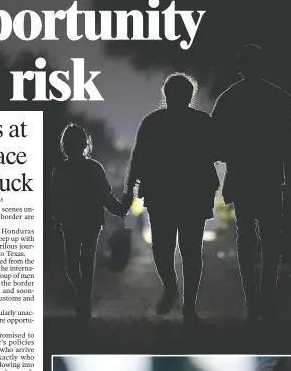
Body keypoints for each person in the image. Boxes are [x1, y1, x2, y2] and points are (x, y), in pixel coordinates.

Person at [211, 44, 291, 323]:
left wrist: (235, 157)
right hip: (270, 179)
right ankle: (266, 296)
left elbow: (216, 145)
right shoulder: (279, 98)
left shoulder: (228, 99)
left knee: (246, 237)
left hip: (243, 177)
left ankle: (253, 299)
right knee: (271, 237)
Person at [126, 73, 219, 324]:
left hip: (163, 193)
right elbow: (217, 151)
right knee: (189, 250)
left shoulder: (154, 122)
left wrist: (129, 189)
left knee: (165, 248)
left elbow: (138, 159)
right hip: (192, 194)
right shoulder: (201, 121)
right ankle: (187, 302)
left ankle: (176, 292)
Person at [51, 123, 133, 321]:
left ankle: (84, 301)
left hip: (83, 222)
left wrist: (120, 207)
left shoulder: (87, 167)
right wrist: (121, 207)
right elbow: (55, 195)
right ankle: (84, 297)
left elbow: (56, 196)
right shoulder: (65, 168)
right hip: (78, 221)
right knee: (78, 265)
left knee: (80, 263)